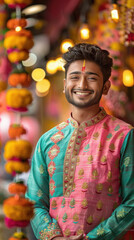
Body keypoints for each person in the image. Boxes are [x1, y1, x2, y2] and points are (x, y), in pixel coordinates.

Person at [26, 43, 134, 240]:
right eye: (75, 77)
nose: (82, 85)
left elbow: (133, 201)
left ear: (106, 86)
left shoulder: (124, 136)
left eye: (92, 78)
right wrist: (55, 238)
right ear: (65, 83)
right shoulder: (47, 141)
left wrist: (94, 238)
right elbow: (34, 201)